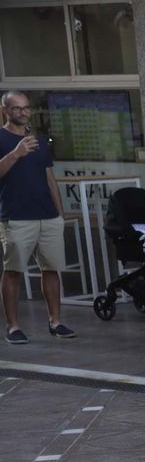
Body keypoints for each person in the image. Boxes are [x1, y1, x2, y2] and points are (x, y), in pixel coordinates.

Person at [0, 91, 73, 343]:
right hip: (16, 217)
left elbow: (49, 179)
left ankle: (56, 322)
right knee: (13, 271)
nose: (23, 112)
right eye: (17, 108)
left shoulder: (39, 142)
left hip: (48, 216)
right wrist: (16, 153)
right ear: (5, 110)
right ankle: (13, 327)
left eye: (26, 108)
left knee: (51, 269)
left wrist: (59, 214)